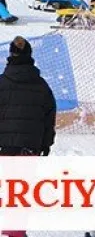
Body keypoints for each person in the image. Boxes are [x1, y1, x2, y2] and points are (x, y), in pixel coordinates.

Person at [0, 37, 56, 237]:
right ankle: (15, 232)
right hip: (29, 147)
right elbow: (49, 117)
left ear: (10, 55)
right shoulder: (41, 85)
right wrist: (46, 144)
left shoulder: (1, 83)